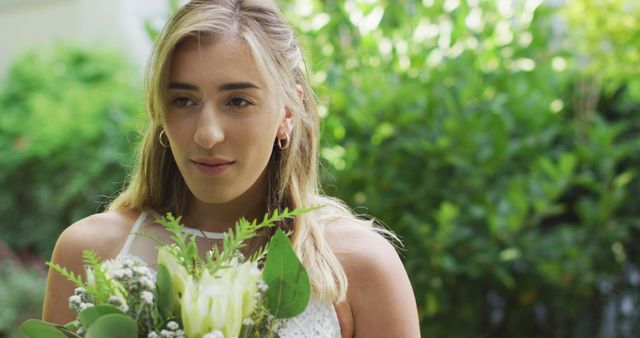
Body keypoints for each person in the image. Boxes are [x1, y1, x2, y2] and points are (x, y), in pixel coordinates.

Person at [42, 0, 420, 336]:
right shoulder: (89, 252)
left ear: (287, 112)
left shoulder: (359, 266)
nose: (207, 134)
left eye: (238, 101)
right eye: (184, 100)